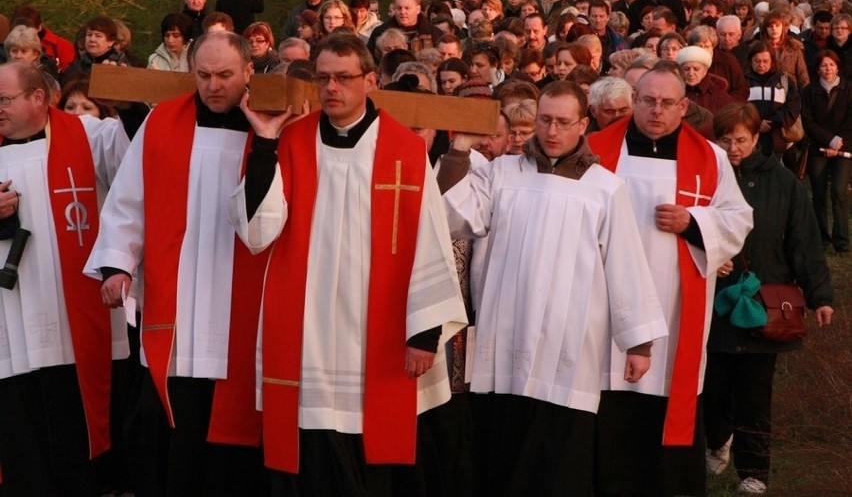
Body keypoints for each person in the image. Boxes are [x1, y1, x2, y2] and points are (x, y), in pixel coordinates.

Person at [230, 33, 468, 495]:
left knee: (372, 452)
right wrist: (262, 143)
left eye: (343, 77)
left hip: (376, 332)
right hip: (308, 327)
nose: (331, 87)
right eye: (323, 78)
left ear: (371, 80)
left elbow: (431, 244)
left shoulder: (403, 150)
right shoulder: (291, 140)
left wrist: (422, 336)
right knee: (309, 447)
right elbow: (256, 231)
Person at [437, 80, 667, 496]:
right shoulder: (501, 173)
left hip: (568, 341)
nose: (551, 131)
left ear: (583, 124)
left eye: (563, 122)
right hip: (503, 336)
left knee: (557, 455)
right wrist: (459, 149)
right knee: (499, 446)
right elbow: (456, 217)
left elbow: (626, 265)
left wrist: (639, 344)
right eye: (544, 120)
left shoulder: (604, 188)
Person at [84, 33, 270, 496]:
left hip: (245, 298)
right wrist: (117, 265)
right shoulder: (163, 122)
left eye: (225, 75)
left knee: (233, 443)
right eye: (203, 75)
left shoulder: (268, 127)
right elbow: (129, 202)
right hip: (178, 302)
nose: (213, 85)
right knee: (170, 433)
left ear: (249, 71)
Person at [588, 64, 753, 497]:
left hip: (674, 299)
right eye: (647, 101)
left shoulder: (710, 157)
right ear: (634, 100)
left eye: (666, 103)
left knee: (664, 392)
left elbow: (738, 220)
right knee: (604, 393)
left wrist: (693, 221)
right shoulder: (596, 150)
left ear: (684, 106)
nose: (656, 111)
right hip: (603, 297)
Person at [0, 62, 129, 495]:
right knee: (23, 424)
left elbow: (137, 157)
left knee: (74, 422)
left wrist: (129, 100)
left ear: (38, 98)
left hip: (73, 308)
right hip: (10, 314)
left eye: (4, 100)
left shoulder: (87, 135)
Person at [704, 102, 834, 497]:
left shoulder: (785, 185)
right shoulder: (703, 178)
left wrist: (820, 295)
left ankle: (754, 470)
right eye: (725, 140)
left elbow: (804, 243)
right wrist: (709, 253)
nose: (733, 148)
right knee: (713, 384)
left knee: (755, 393)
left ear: (756, 137)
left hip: (766, 302)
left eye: (740, 140)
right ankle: (715, 441)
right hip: (714, 300)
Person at [802, 49, 852, 254]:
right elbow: (808, 121)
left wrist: (839, 142)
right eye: (824, 65)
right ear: (817, 68)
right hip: (818, 148)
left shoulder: (849, 89)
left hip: (844, 148)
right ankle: (821, 239)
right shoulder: (808, 90)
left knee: (839, 192)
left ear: (837, 66)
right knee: (819, 194)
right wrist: (828, 140)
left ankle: (842, 242)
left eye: (831, 64)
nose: (828, 69)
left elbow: (851, 120)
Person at [743, 41, 801, 157]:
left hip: (777, 137)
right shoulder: (743, 81)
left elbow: (792, 107)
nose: (761, 65)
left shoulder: (784, 80)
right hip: (750, 135)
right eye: (757, 61)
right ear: (751, 61)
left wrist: (773, 122)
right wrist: (756, 123)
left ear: (772, 61)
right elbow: (739, 106)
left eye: (765, 61)